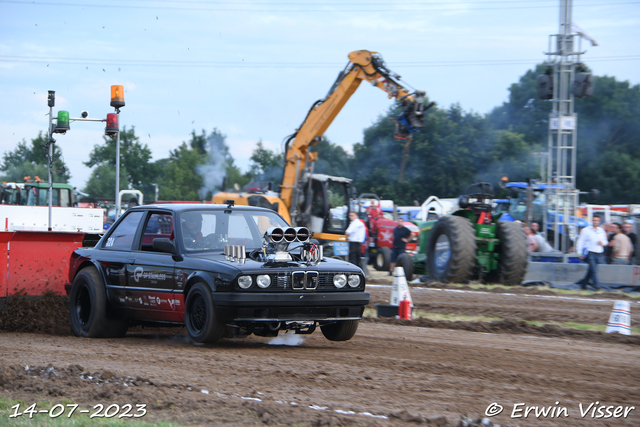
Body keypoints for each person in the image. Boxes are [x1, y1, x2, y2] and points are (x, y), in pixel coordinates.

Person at [575, 215, 608, 290]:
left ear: (599, 222)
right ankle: (597, 286)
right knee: (593, 270)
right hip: (590, 252)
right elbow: (580, 241)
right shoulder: (586, 230)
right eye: (594, 220)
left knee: (591, 270)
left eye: (596, 220)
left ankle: (583, 285)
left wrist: (602, 242)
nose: (595, 222)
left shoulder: (601, 230)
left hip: (599, 252)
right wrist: (579, 252)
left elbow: (606, 242)